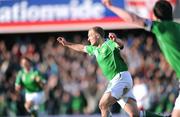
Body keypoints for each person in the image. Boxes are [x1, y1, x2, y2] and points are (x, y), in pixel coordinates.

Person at [57, 26, 165, 117]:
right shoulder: (95, 50)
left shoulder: (109, 44)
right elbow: (81, 48)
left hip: (121, 77)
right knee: (135, 114)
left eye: (90, 36)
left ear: (97, 35)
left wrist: (116, 40)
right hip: (117, 81)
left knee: (103, 104)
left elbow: (121, 45)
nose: (88, 39)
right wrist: (67, 44)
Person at [102, 0, 180, 117]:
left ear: (155, 16)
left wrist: (111, 7)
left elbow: (133, 18)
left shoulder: (161, 28)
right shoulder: (177, 27)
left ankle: (142, 115)